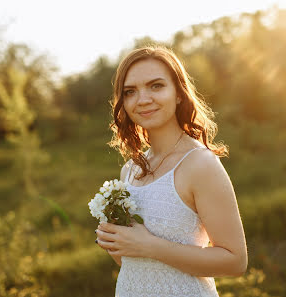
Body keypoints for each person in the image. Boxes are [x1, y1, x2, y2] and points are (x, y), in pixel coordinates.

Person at [95, 45, 247, 297]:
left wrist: (150, 246)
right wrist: (117, 243)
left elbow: (235, 261)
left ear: (178, 93)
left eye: (156, 86)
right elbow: (135, 263)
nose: (143, 99)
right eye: (130, 91)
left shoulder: (200, 164)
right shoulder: (130, 170)